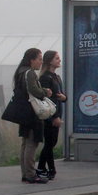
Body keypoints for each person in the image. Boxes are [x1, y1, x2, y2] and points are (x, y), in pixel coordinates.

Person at [7, 47, 49, 184]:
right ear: (32, 60)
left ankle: (25, 173)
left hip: (23, 111)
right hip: (31, 112)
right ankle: (31, 174)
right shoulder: (29, 73)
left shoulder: (20, 72)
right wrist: (45, 92)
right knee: (32, 142)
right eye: (39, 59)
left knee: (25, 143)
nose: (41, 62)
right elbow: (34, 90)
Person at [36, 50, 66, 180]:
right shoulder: (45, 78)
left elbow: (61, 95)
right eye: (56, 58)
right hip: (50, 115)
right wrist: (54, 117)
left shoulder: (57, 77)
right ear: (49, 61)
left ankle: (43, 167)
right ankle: (48, 168)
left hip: (58, 111)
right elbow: (46, 99)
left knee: (51, 142)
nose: (59, 60)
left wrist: (64, 97)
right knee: (50, 142)